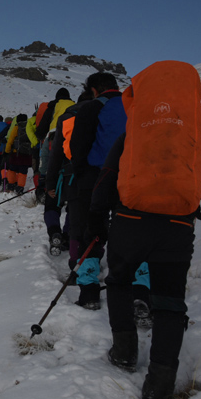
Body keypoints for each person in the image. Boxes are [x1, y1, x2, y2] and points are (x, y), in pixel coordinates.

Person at [88, 60, 201, 399]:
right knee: (170, 302)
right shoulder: (197, 137)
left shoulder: (132, 136)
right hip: (177, 229)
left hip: (130, 221)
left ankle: (124, 353)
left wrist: (98, 220)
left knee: (121, 281)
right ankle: (158, 389)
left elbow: (101, 191)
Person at [68, 72, 127, 309]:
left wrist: (79, 174)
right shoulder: (133, 104)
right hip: (130, 176)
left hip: (96, 176)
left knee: (91, 231)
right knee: (127, 230)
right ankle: (137, 288)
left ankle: (90, 291)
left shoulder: (91, 108)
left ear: (93, 90)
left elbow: (77, 148)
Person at [45, 90, 93, 257]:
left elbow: (54, 154)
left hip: (66, 171)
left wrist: (49, 182)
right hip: (93, 171)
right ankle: (67, 237)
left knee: (53, 203)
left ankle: (54, 232)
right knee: (76, 210)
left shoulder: (66, 117)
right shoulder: (101, 114)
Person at [4, 113, 34, 194]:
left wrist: (7, 150)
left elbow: (10, 140)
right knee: (23, 171)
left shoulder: (16, 128)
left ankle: (11, 185)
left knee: (12, 169)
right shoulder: (29, 127)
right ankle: (20, 187)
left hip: (16, 153)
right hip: (27, 154)